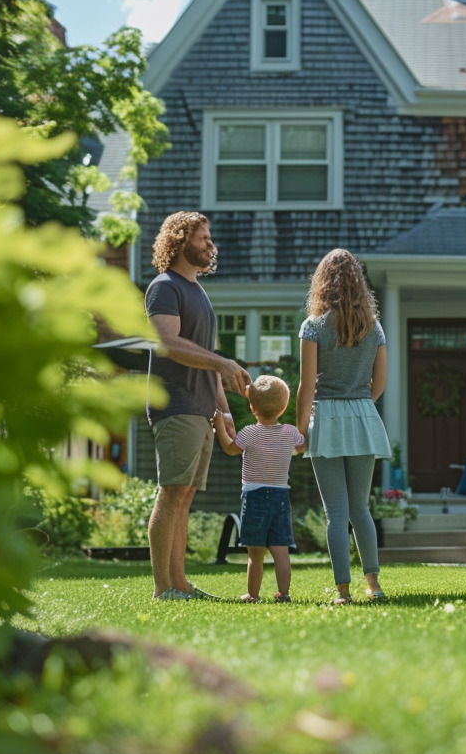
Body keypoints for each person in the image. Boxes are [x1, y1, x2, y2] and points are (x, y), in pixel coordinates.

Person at [145, 210, 250, 601]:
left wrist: (221, 408)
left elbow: (203, 357)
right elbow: (168, 343)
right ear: (179, 239)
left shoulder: (198, 292)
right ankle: (162, 588)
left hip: (201, 408)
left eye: (210, 238)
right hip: (175, 406)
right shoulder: (165, 287)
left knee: (184, 496)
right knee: (171, 492)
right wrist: (222, 363)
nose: (211, 244)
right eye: (203, 237)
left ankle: (180, 584)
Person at [296, 249, 391, 604]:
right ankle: (375, 585)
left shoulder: (314, 326)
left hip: (328, 419)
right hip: (364, 417)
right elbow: (379, 383)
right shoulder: (374, 327)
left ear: (322, 283)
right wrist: (361, 401)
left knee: (336, 513)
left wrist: (300, 430)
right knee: (360, 508)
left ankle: (343, 591)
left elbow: (307, 386)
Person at [213, 374, 305, 603]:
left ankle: (253, 595)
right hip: (281, 495)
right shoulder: (290, 433)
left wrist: (219, 427)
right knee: (281, 549)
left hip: (254, 496)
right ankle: (283, 594)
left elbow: (230, 448)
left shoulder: (249, 433)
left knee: (255, 552)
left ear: (252, 407)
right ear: (283, 407)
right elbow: (301, 447)